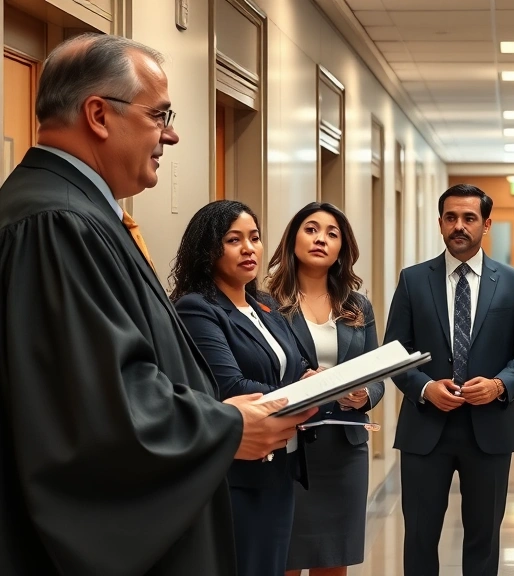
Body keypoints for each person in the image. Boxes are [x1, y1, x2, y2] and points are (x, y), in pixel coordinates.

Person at [0, 34, 311, 575]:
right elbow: (99, 408)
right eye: (159, 114)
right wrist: (225, 427)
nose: (171, 133)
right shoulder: (56, 225)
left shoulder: (77, 214)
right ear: (98, 114)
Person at [384, 184, 514, 576]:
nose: (459, 226)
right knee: (420, 537)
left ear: (486, 224)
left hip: (489, 429)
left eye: (469, 218)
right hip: (425, 428)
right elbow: (392, 352)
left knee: (483, 538)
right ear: (440, 222)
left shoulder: (512, 281)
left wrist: (500, 384)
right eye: (451, 217)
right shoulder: (413, 280)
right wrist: (424, 387)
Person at [170, 200, 312, 576]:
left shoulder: (264, 304)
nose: (249, 249)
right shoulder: (197, 308)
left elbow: (297, 367)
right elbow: (231, 386)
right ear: (209, 248)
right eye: (234, 240)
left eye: (255, 238)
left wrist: (313, 382)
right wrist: (303, 391)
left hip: (282, 464)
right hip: (240, 472)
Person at [269, 202, 385, 576]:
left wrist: (364, 395)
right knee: (285, 557)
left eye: (332, 234)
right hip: (291, 447)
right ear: (294, 239)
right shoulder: (268, 303)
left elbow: (376, 374)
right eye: (311, 229)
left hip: (345, 450)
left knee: (334, 559)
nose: (321, 238)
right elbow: (260, 371)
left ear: (341, 250)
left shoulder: (358, 307)